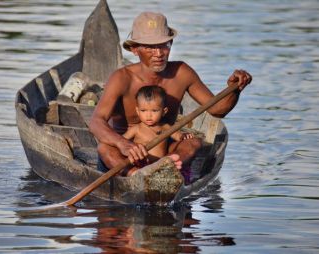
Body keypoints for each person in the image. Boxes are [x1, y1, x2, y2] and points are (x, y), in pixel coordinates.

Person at [89, 12, 252, 175]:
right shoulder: (121, 78)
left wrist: (234, 89)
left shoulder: (182, 73)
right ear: (135, 49)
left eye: (163, 45)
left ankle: (166, 170)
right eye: (150, 47)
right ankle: (135, 175)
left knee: (193, 143)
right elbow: (96, 121)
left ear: (171, 43)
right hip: (124, 158)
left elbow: (218, 109)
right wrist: (123, 144)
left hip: (164, 153)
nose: (159, 54)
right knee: (104, 148)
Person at [122, 85, 194, 176]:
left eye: (154, 111)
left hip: (160, 164)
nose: (148, 115)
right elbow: (122, 141)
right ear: (137, 111)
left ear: (164, 111)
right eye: (143, 111)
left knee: (181, 169)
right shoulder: (136, 129)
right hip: (141, 165)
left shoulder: (165, 127)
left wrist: (184, 136)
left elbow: (177, 136)